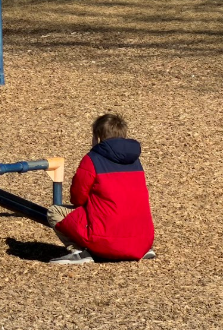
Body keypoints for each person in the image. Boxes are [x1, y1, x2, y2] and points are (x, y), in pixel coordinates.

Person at [46, 113, 155, 264]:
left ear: (97, 138)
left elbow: (78, 197)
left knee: (54, 211)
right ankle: (134, 246)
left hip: (105, 241)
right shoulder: (135, 161)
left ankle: (78, 252)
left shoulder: (92, 159)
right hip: (143, 241)